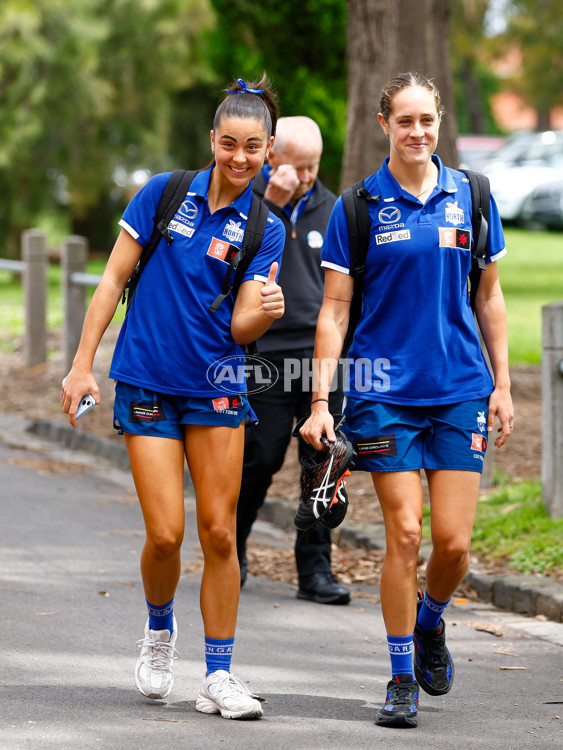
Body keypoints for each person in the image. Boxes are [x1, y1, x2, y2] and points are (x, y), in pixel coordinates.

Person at [61, 76, 286, 720]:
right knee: (166, 534)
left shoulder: (264, 226)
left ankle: (219, 675)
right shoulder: (164, 194)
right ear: (212, 140)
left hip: (215, 388)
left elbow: (242, 326)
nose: (240, 159)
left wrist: (265, 314)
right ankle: (160, 630)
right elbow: (111, 279)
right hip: (148, 379)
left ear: (267, 149)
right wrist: (82, 367)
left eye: (253, 148)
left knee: (219, 533)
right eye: (229, 144)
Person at [300, 72, 514, 729]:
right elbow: (334, 311)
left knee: (451, 545)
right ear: (383, 124)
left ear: (440, 121)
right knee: (406, 533)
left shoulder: (471, 195)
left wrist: (502, 384)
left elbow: (490, 296)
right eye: (405, 121)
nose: (417, 132)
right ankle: (399, 677)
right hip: (381, 394)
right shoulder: (359, 206)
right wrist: (319, 402)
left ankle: (430, 623)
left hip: (458, 391)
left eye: (427, 120)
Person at [236, 116, 350, 605]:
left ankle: (315, 569)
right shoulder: (250, 203)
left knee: (323, 464)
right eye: (295, 167)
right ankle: (231, 549)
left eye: (312, 167)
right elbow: (238, 256)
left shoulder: (337, 209)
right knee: (258, 458)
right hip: (268, 353)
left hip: (321, 354)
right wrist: (274, 204)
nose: (304, 177)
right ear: (273, 159)